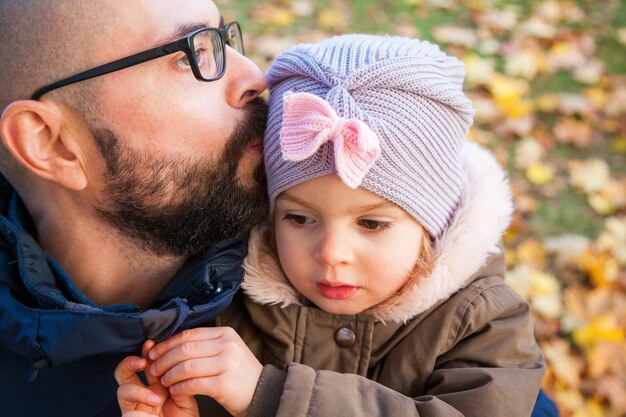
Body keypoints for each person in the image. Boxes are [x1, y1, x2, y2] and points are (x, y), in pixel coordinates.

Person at [116, 34, 548, 417]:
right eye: (300, 218)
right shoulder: (227, 303)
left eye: (372, 223)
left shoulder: (485, 325)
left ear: (434, 222)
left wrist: (271, 397)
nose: (330, 252)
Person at [0, 1, 269, 416]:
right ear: (53, 145)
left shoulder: (342, 276)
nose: (254, 75)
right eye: (188, 55)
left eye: (223, 38)